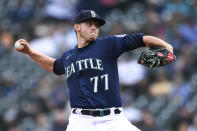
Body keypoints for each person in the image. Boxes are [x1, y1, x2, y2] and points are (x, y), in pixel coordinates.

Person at [15, 10, 173, 131]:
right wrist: (30, 52)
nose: (94, 27)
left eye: (96, 25)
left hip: (113, 120)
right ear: (77, 27)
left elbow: (141, 39)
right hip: (80, 122)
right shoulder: (68, 56)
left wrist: (165, 46)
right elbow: (54, 66)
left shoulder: (108, 44)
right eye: (89, 23)